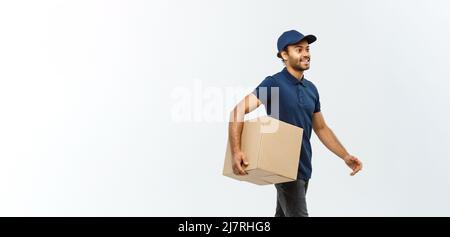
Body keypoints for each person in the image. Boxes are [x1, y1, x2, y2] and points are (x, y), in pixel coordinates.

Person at [228, 30, 363, 217]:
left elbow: (321, 128)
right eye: (299, 49)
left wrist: (345, 156)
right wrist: (236, 151)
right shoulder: (273, 83)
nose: (306, 54)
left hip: (304, 166)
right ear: (284, 55)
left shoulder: (311, 89)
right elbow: (237, 111)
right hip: (283, 166)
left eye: (307, 49)